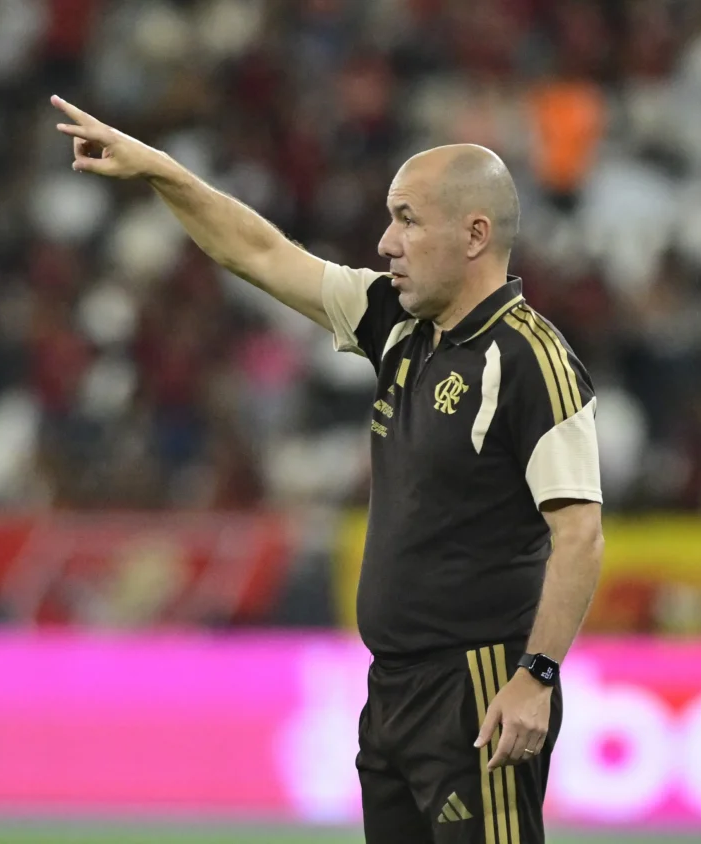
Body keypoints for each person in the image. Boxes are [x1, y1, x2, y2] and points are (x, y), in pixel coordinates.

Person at [53, 95, 604, 844]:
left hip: (478, 687)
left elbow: (579, 533)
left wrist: (536, 678)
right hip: (391, 690)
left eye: (408, 219)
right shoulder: (397, 324)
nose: (386, 242)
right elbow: (258, 253)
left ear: (475, 235)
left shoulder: (532, 362)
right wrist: (160, 171)